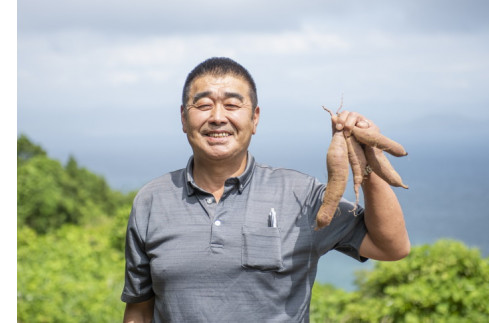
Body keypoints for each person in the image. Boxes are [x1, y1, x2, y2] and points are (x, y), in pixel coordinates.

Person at [121, 57, 410, 322]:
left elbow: (391, 246)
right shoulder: (152, 200)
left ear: (255, 118)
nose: (218, 117)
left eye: (233, 105)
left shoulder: (301, 195)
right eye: (204, 105)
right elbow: (140, 309)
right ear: (184, 118)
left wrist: (367, 155)